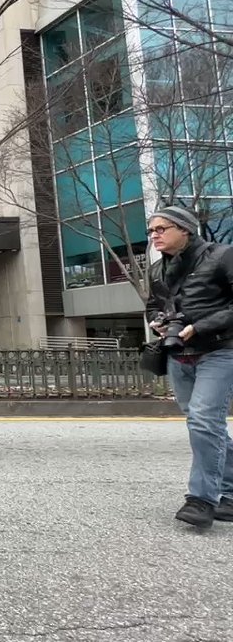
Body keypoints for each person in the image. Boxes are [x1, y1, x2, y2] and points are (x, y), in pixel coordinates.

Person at [145, 205, 233, 529]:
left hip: (220, 350)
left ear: (185, 229)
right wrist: (158, 322)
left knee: (203, 420)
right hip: (179, 355)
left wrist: (201, 326)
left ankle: (201, 501)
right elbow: (153, 305)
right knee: (205, 425)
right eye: (151, 231)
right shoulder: (157, 271)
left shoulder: (223, 256)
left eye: (161, 229)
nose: (155, 235)